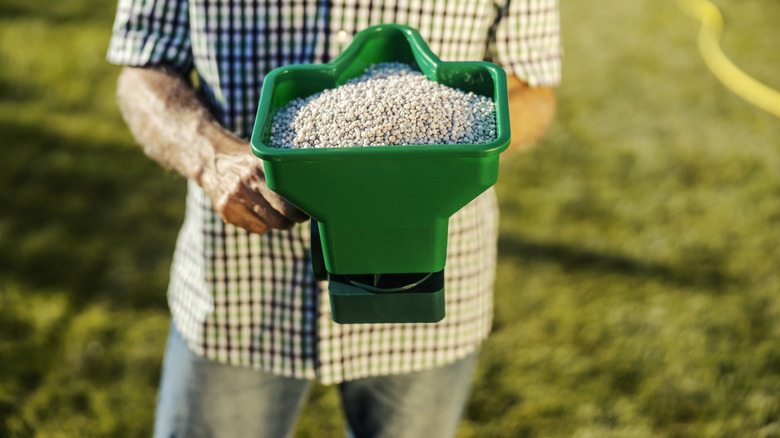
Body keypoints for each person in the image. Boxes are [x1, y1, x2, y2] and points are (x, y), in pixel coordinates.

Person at [107, 1, 561, 437]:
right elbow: (144, 66)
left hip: (424, 292)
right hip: (240, 287)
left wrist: (429, 162)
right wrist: (210, 157)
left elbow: (534, 92)